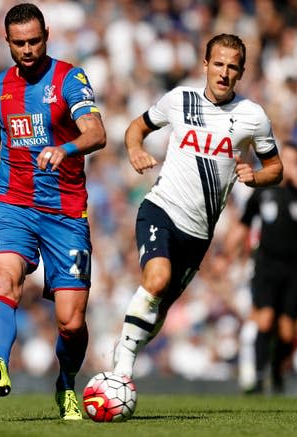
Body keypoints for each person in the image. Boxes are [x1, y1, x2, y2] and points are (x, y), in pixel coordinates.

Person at [0, 3, 106, 420]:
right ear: (7, 41)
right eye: (19, 43)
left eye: (34, 41)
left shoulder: (70, 78)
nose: (28, 50)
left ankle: (66, 381)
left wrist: (64, 148)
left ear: (46, 35)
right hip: (12, 206)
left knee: (70, 322)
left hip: (66, 215)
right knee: (5, 279)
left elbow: (96, 133)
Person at [112, 33, 283, 380]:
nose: (224, 73)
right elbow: (137, 127)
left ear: (242, 72)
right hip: (161, 208)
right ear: (205, 65)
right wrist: (134, 150)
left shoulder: (252, 116)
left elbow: (276, 169)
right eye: (218, 64)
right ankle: (121, 370)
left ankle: (127, 348)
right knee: (156, 280)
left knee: (158, 310)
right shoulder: (180, 99)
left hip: (199, 232)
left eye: (232, 67)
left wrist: (256, 176)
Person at [227, 141, 297, 394]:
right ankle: (258, 378)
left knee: (287, 330)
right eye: (286, 159)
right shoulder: (263, 190)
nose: (289, 165)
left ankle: (277, 371)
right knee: (265, 320)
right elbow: (244, 223)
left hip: (294, 266)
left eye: (294, 160)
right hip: (266, 264)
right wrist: (227, 252)